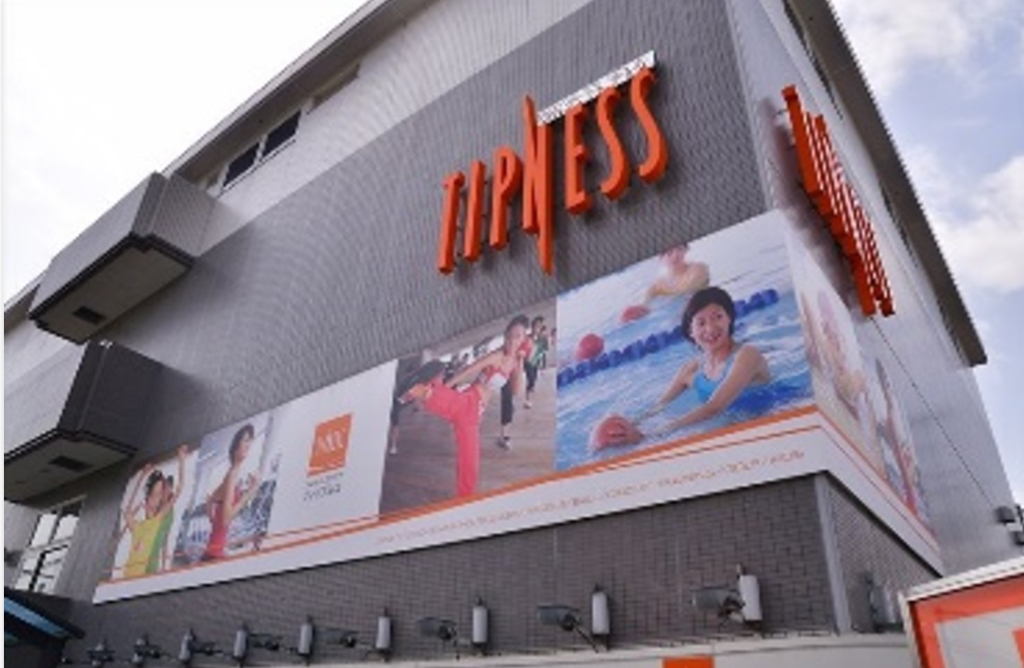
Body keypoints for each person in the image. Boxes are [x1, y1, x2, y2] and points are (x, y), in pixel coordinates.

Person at [396, 315, 530, 498]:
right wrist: (447, 385)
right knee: (459, 420)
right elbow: (468, 370)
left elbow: (516, 391)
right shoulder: (496, 356)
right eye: (509, 335)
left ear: (523, 339)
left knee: (469, 460)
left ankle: (428, 387)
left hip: (477, 412)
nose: (512, 341)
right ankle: (423, 389)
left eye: (518, 336)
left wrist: (520, 362)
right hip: (471, 401)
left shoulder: (514, 362)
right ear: (505, 335)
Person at [632, 286, 769, 438]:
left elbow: (714, 408)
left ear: (729, 318)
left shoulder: (747, 354)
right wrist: (632, 425)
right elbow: (660, 406)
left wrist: (651, 435)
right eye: (701, 323)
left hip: (766, 420)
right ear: (691, 332)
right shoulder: (691, 369)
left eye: (717, 317)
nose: (710, 328)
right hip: (731, 426)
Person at [121, 444, 187, 578]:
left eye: (159, 495)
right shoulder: (137, 526)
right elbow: (127, 512)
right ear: (147, 499)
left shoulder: (157, 521)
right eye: (153, 495)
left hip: (144, 575)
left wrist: (181, 459)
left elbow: (179, 489)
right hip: (127, 577)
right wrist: (142, 476)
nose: (156, 499)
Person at [203, 424, 261, 561]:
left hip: (214, 551)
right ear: (236, 446)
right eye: (245, 440)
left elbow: (210, 500)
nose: (249, 445)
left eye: (250, 440)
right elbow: (226, 519)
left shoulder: (231, 475)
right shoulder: (232, 475)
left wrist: (213, 519)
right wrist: (249, 493)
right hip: (213, 556)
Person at [621, 244, 711, 322]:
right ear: (661, 258)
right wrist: (641, 310)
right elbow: (645, 304)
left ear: (685, 250)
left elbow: (691, 289)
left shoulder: (698, 269)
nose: (675, 255)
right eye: (669, 252)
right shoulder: (658, 285)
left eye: (679, 249)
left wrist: (666, 295)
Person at [523, 316, 548, 409]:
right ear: (532, 326)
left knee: (533, 380)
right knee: (531, 380)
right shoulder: (527, 338)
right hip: (528, 362)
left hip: (536, 362)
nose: (537, 328)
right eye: (535, 326)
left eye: (539, 326)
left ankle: (529, 393)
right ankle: (527, 400)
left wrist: (544, 364)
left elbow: (544, 351)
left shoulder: (543, 339)